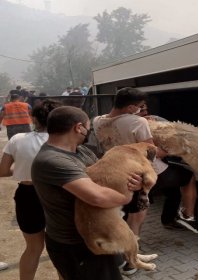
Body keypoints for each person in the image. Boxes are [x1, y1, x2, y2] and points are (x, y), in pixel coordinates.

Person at [93, 87, 198, 274]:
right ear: (131, 106)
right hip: (140, 174)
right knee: (140, 213)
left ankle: (165, 222)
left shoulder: (98, 121)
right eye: (140, 107)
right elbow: (152, 152)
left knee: (124, 213)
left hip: (115, 172)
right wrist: (176, 150)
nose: (142, 109)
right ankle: (130, 262)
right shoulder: (137, 122)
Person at [31, 106, 143, 280]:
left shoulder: (81, 151)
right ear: (78, 127)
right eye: (88, 126)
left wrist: (133, 183)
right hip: (74, 244)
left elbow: (106, 176)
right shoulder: (52, 160)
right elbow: (97, 196)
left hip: (94, 235)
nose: (89, 131)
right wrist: (127, 196)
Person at [0, 100, 62, 280]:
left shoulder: (17, 139)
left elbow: (3, 171)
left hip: (27, 195)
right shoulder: (65, 141)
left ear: (33, 118)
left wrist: (22, 168)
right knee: (60, 248)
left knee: (33, 248)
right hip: (57, 197)